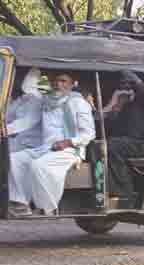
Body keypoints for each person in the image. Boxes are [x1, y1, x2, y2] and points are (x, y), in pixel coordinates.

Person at [8, 72, 95, 217]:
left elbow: (89, 133)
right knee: (14, 159)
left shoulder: (78, 103)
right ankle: (20, 203)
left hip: (69, 150)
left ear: (72, 84)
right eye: (54, 80)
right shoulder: (45, 101)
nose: (57, 84)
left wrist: (68, 142)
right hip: (45, 148)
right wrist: (6, 129)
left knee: (38, 165)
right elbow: (27, 121)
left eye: (63, 81)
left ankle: (47, 207)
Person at [101, 70, 144, 207]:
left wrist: (128, 74)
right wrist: (113, 104)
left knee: (111, 145)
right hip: (130, 144)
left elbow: (142, 90)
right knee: (106, 145)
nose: (124, 89)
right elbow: (105, 119)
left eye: (126, 86)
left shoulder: (143, 101)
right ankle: (111, 189)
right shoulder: (122, 107)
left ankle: (125, 192)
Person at [7, 68, 44, 154]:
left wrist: (4, 130)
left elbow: (24, 123)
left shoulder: (37, 101)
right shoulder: (24, 98)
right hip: (18, 139)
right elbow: (9, 114)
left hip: (30, 144)